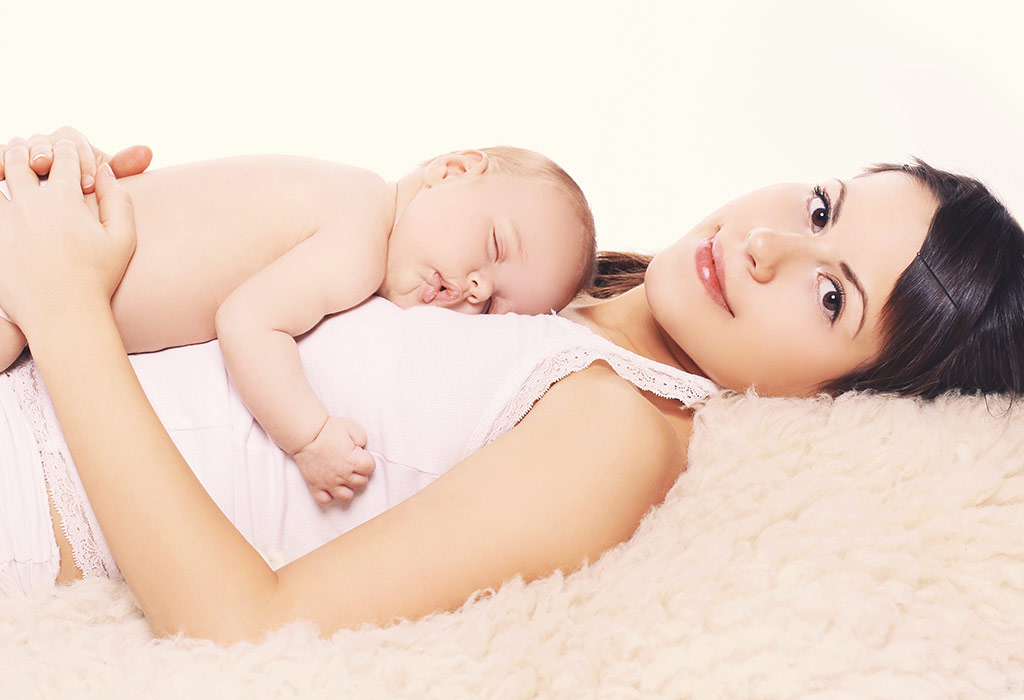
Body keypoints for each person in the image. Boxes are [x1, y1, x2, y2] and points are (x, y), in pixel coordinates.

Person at [0, 136, 1020, 643]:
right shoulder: (538, 285)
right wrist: (98, 217)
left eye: (831, 296)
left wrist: (64, 299)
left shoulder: (617, 427)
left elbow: (246, 625)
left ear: (850, 400)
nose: (766, 244)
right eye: (818, 206)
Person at [0, 131, 596, 504]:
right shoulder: (359, 234)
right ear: (453, 170)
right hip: (29, 281)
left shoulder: (341, 194)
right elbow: (250, 324)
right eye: (494, 245)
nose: (474, 286)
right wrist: (309, 437)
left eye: (491, 304)